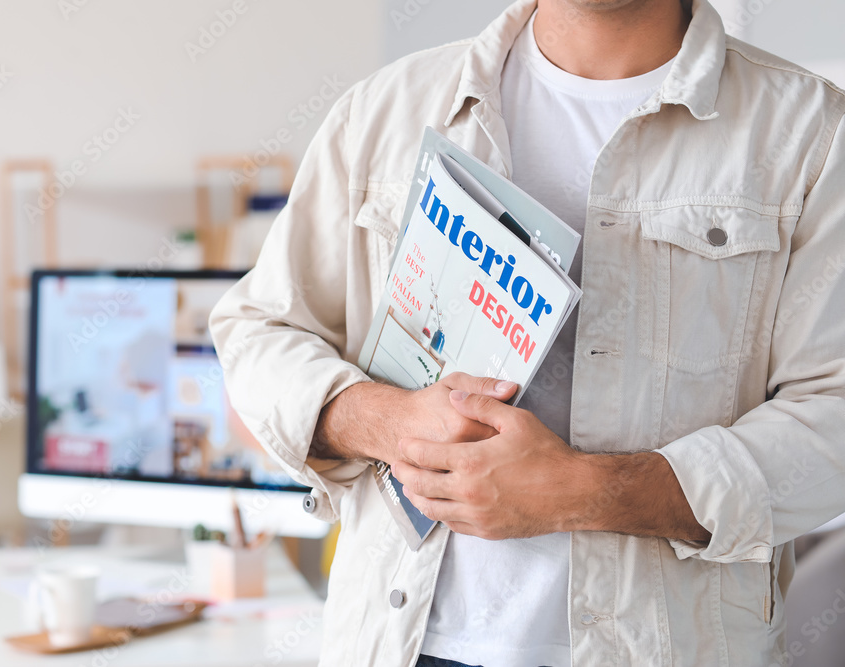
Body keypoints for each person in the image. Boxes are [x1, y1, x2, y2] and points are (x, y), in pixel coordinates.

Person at [209, 0, 845, 664]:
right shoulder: (384, 111)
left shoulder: (812, 136)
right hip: (400, 641)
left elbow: (833, 418)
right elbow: (259, 331)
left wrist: (587, 491)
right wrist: (389, 422)